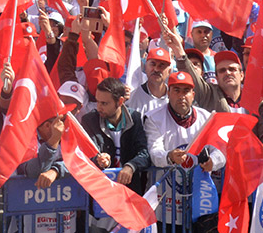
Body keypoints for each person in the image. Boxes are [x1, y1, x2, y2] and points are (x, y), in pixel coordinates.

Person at [144, 71, 222, 232]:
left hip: (200, 200)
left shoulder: (207, 117)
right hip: (166, 203)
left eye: (186, 91)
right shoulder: (153, 118)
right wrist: (169, 156)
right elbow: (154, 150)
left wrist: (213, 162)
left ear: (193, 94)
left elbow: (220, 150)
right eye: (176, 90)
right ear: (168, 93)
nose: (181, 96)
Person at [81, 77, 150, 193]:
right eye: (97, 101)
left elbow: (144, 154)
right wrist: (98, 160)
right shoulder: (89, 120)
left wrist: (131, 166)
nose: (99, 107)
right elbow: (84, 155)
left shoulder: (135, 118)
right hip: (101, 190)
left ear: (120, 102)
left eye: (104, 103)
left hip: (129, 191)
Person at [127, 45, 172, 117]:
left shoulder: (173, 97)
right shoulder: (134, 98)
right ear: (146, 67)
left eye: (161, 65)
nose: (156, 69)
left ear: (169, 71)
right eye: (153, 64)